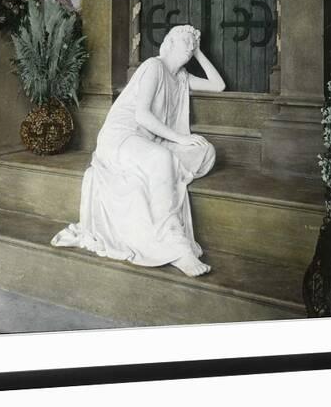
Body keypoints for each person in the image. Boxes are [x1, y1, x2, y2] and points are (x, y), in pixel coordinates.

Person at [51, 25, 226, 277]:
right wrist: (180, 138)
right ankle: (176, 247)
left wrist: (198, 52)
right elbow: (142, 115)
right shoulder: (154, 66)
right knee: (162, 157)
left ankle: (160, 175)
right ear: (170, 43)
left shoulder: (181, 77)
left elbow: (218, 85)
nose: (190, 44)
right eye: (186, 39)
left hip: (150, 141)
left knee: (206, 152)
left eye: (193, 42)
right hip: (122, 137)